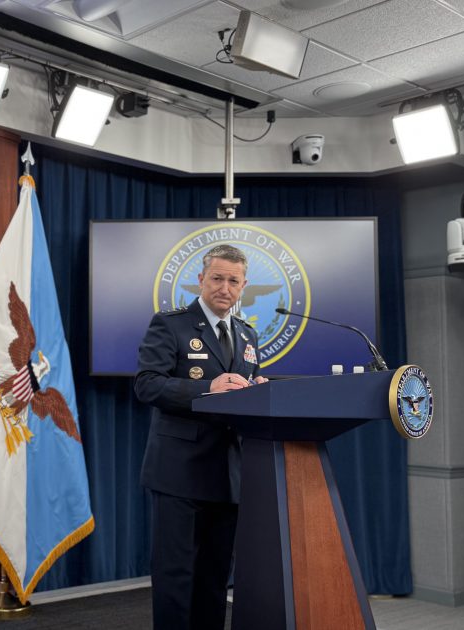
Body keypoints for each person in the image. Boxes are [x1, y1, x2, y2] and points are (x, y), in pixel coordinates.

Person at [134, 244, 267, 630]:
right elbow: (146, 385)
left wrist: (256, 390)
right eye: (217, 278)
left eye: (233, 281)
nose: (224, 287)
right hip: (180, 473)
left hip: (228, 474)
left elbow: (240, 392)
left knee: (214, 578)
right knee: (176, 576)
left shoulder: (247, 333)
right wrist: (209, 387)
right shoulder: (171, 324)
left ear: (243, 286)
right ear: (201, 280)